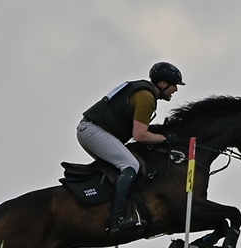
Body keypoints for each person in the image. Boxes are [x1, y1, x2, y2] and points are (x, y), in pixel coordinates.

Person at [77, 61, 185, 234]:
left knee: (123, 164)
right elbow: (140, 135)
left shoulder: (143, 91)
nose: (176, 90)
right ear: (163, 84)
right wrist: (165, 138)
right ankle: (117, 219)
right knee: (130, 165)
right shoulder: (146, 97)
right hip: (93, 131)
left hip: (94, 131)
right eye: (174, 86)